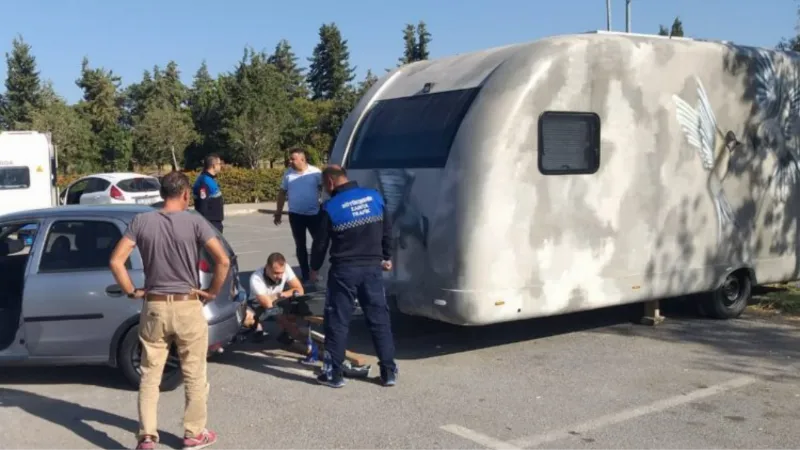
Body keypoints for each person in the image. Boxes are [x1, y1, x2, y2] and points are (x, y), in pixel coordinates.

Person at [109, 171, 230, 450]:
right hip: (188, 304)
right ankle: (193, 433)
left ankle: (147, 438)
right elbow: (222, 260)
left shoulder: (141, 221)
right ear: (187, 194)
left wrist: (132, 291)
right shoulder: (196, 222)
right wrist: (211, 292)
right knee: (194, 373)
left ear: (162, 194)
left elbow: (116, 261)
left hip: (154, 306)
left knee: (150, 374)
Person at [309, 165, 398, 388]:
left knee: (338, 320)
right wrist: (386, 255)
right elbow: (388, 231)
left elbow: (320, 244)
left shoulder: (330, 207)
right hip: (372, 269)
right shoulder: (374, 197)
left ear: (330, 182)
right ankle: (388, 372)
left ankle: (334, 374)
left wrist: (314, 268)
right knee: (379, 319)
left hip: (344, 270)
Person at [274, 148, 322, 281]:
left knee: (319, 244)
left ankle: (316, 270)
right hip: (296, 215)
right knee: (300, 245)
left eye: (293, 159)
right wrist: (278, 212)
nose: (290, 161)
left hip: (314, 214)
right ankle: (305, 274)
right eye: (290, 159)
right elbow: (282, 193)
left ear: (302, 159)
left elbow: (324, 189)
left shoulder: (316, 172)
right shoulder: (288, 174)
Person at [242, 252, 305, 344]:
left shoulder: (286, 268)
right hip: (258, 304)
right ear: (267, 267)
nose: (279, 276)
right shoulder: (256, 278)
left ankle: (285, 334)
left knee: (296, 303)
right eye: (275, 273)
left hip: (277, 299)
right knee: (246, 317)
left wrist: (282, 294)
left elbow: (300, 290)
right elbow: (270, 307)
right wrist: (293, 330)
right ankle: (258, 328)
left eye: (281, 273)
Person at [193, 154, 225, 233]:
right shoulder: (204, 181)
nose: (220, 166)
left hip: (215, 221)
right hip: (210, 223)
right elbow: (202, 205)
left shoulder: (210, 179)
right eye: (219, 164)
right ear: (214, 166)